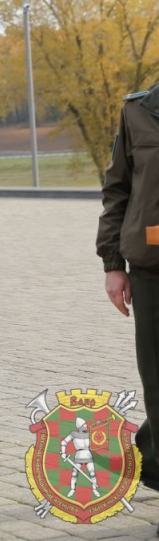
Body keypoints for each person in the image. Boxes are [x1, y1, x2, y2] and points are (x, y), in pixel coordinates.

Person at [97, 84, 159, 490]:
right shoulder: (138, 111)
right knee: (157, 378)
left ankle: (150, 456)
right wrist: (113, 264)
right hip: (152, 267)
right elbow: (117, 188)